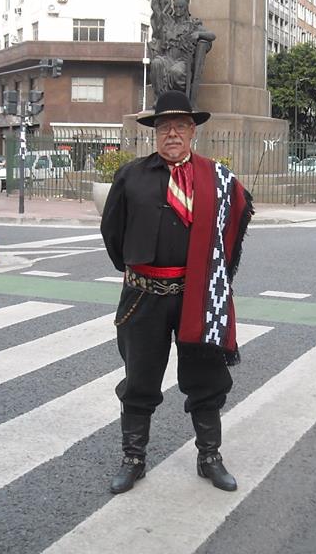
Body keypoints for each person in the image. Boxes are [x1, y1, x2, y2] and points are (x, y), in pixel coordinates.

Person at [100, 90, 254, 495]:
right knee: (140, 380)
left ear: (193, 131)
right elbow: (112, 234)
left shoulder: (216, 178)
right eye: (164, 126)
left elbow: (233, 228)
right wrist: (139, 269)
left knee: (205, 380)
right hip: (143, 298)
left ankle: (209, 457)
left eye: (180, 126)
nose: (172, 133)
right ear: (154, 132)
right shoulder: (131, 175)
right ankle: (133, 458)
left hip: (198, 299)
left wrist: (214, 277)